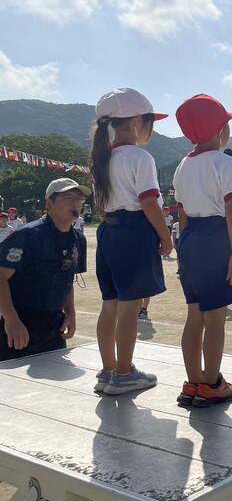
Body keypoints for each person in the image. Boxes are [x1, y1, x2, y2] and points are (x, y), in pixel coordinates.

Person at [91, 88, 171, 396]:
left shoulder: (102, 157)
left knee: (110, 304)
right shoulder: (139, 157)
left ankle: (108, 370)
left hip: (108, 230)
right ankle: (124, 374)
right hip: (134, 230)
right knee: (130, 306)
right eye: (150, 121)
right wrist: (165, 236)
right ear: (137, 120)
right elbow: (149, 202)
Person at [172, 93, 232, 407]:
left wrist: (184, 251)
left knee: (194, 315)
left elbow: (182, 214)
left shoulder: (182, 165)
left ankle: (193, 383)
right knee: (216, 317)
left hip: (190, 239)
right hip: (218, 237)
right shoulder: (226, 163)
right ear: (220, 129)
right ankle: (213, 384)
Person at [0, 178, 88, 361]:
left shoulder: (78, 240)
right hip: (20, 323)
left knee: (54, 377)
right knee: (11, 377)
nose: (75, 203)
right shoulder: (28, 236)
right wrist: (11, 318)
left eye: (79, 199)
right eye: (68, 198)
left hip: (54, 325)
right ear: (49, 203)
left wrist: (70, 313)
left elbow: (67, 279)